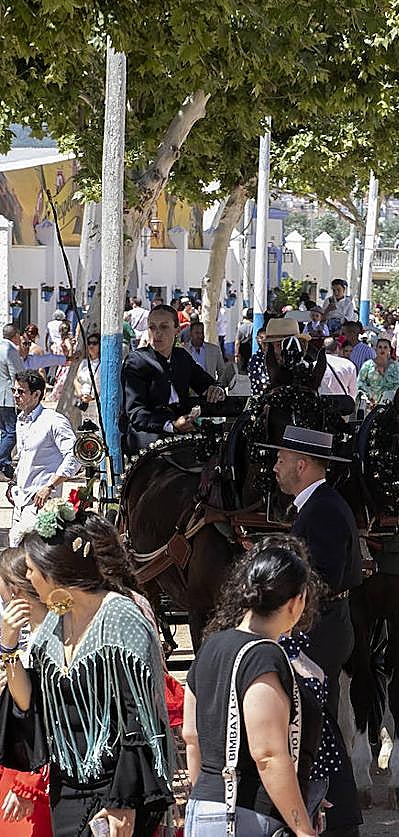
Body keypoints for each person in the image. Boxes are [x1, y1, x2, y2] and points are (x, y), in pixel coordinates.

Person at [0, 507, 174, 836]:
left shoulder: (120, 617)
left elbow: (138, 716)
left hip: (115, 790)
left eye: (33, 571)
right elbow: (29, 705)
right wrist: (8, 647)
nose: (30, 581)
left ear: (54, 573)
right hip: (67, 786)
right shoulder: (54, 621)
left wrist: (124, 801)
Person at [183, 538, 320, 836]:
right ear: (296, 602)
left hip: (203, 807)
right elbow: (268, 753)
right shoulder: (264, 656)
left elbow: (191, 736)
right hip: (248, 813)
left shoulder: (211, 646)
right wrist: (303, 828)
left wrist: (206, 798)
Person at [263, 427, 362, 837]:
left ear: (302, 465)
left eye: (282, 459)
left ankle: (339, 818)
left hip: (320, 628)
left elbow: (321, 576)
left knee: (316, 724)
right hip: (326, 625)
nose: (276, 467)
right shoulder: (319, 505)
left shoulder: (320, 509)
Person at [119, 304, 226, 454]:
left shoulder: (181, 357)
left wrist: (216, 389)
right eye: (152, 327)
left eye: (164, 327)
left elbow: (205, 383)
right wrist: (171, 425)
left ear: (177, 330)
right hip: (146, 435)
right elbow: (136, 412)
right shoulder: (136, 361)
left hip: (183, 431)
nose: (157, 333)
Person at [0, 546, 52, 837]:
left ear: (18, 592)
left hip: (35, 772)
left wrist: (24, 782)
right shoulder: (37, 634)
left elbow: (32, 706)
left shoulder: (47, 636)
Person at [7, 372, 80, 548]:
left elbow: (74, 456)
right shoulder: (21, 420)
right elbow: (24, 457)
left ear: (37, 394)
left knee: (33, 559)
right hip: (20, 502)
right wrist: (13, 483)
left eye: (21, 392)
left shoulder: (53, 421)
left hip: (42, 505)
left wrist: (50, 486)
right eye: (14, 391)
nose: (16, 396)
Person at [0, 327, 26, 481]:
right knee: (12, 432)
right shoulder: (9, 349)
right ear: (16, 336)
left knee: (4, 432)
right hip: (6, 397)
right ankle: (1, 460)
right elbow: (17, 374)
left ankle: (5, 466)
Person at [182, 321, 233, 386]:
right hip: (189, 392)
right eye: (197, 333)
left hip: (210, 390)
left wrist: (218, 386)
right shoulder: (183, 350)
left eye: (202, 333)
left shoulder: (214, 350)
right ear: (191, 334)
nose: (200, 336)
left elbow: (222, 371)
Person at [356, 336, 399, 409]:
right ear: (376, 349)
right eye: (380, 347)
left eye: (385, 347)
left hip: (391, 405)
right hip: (370, 404)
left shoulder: (396, 366)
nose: (382, 350)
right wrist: (369, 397)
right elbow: (360, 383)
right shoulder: (367, 365)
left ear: (389, 349)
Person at [319, 337, 359, 417]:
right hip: (342, 409)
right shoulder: (349, 365)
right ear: (337, 348)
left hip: (321, 407)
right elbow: (353, 391)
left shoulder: (315, 365)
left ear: (322, 349)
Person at [70, 335, 101, 425]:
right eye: (89, 343)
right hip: (83, 402)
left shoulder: (103, 364)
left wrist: (92, 397)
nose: (91, 346)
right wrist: (80, 394)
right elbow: (76, 380)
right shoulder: (84, 362)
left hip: (96, 403)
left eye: (94, 343)